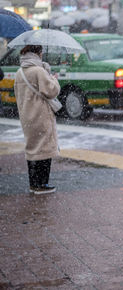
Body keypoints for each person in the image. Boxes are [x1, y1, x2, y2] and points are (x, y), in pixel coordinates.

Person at [14, 45, 61, 194]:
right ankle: (42, 184)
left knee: (32, 148)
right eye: (41, 52)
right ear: (37, 53)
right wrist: (53, 78)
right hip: (41, 116)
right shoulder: (38, 71)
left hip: (27, 116)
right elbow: (51, 91)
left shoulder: (19, 72)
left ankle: (33, 183)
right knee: (44, 149)